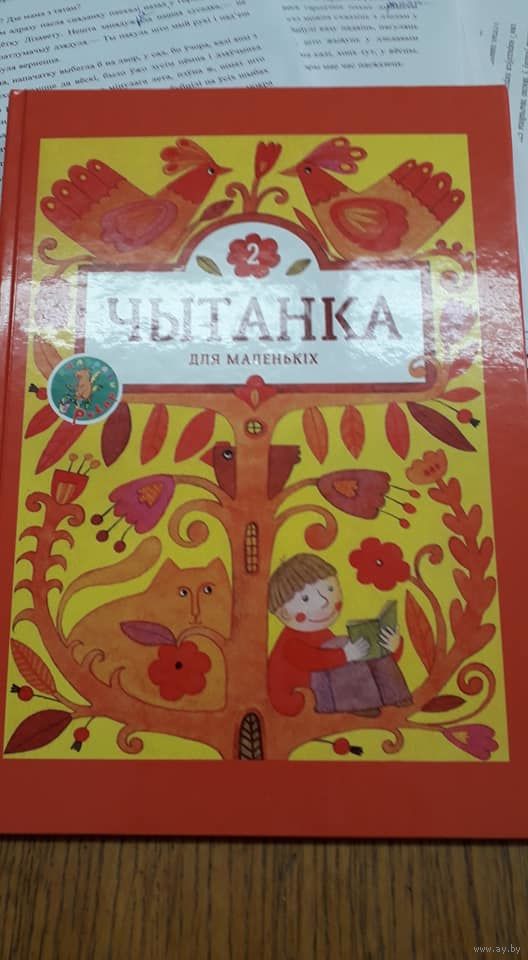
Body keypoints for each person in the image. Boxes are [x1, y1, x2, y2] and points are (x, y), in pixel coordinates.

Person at [267, 553, 412, 717]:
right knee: (343, 647)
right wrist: (346, 654)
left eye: (329, 589)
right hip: (307, 699)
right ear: (284, 613)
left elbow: (359, 665)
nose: (324, 602)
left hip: (327, 690)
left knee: (353, 645)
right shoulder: (290, 642)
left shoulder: (321, 633)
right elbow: (314, 661)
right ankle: (359, 704)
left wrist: (390, 647)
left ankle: (395, 696)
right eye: (306, 599)